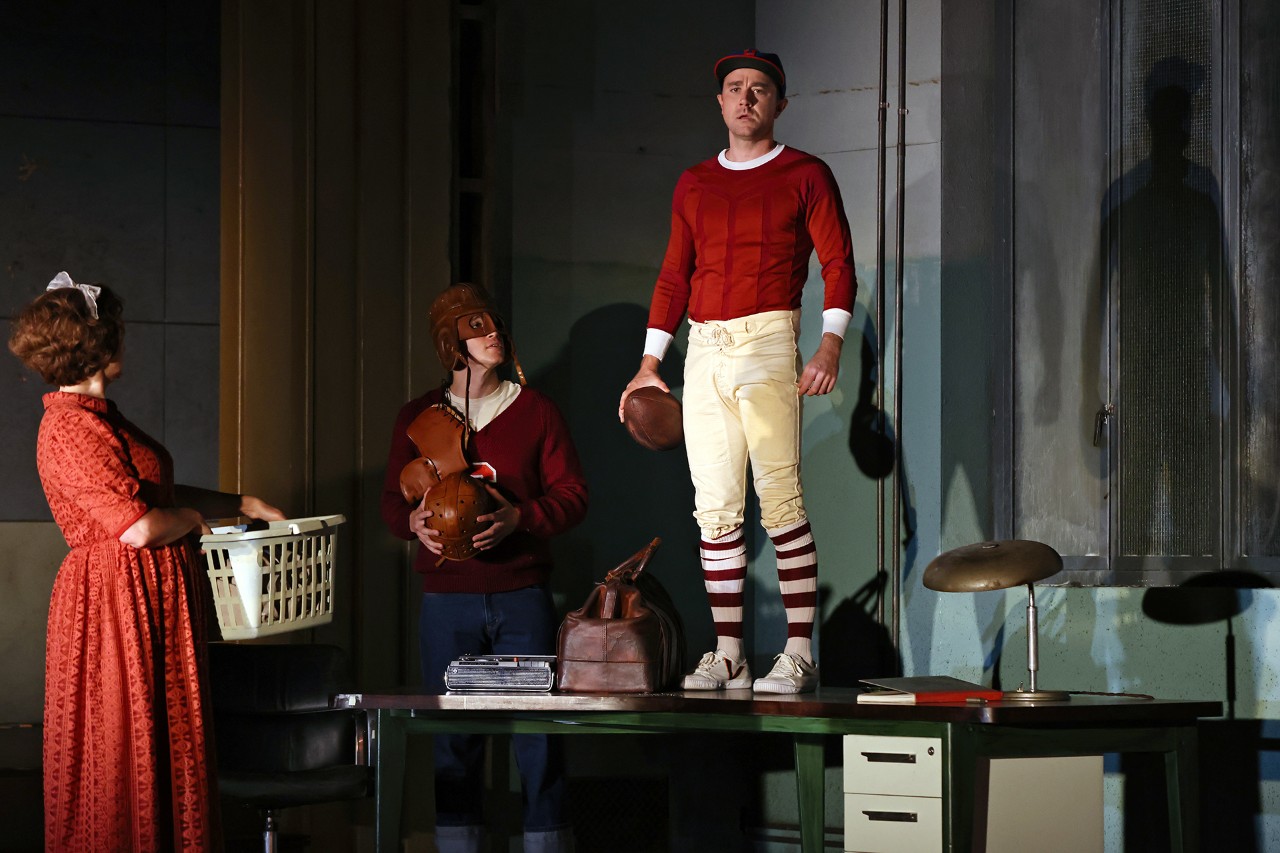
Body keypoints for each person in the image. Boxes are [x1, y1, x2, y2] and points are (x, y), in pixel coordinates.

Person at [7, 272, 285, 852]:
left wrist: (239, 504)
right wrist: (192, 522)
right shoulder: (68, 426)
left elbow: (154, 495)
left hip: (146, 592)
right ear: (98, 345)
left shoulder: (100, 418)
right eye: (118, 332)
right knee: (124, 742)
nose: (125, 340)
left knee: (163, 738)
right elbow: (138, 526)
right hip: (115, 600)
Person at [618, 49, 856, 695]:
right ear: (719, 103)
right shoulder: (694, 181)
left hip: (769, 339)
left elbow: (838, 263)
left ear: (779, 103)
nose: (746, 98)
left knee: (779, 498)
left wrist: (829, 344)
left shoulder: (805, 172)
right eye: (734, 88)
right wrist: (649, 364)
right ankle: (729, 653)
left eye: (759, 89)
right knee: (715, 510)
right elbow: (674, 275)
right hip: (705, 347)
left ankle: (798, 652)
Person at [381, 283, 588, 853]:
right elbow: (390, 507)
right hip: (447, 601)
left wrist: (522, 516)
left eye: (492, 322)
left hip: (522, 593)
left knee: (539, 739)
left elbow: (574, 494)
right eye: (475, 327)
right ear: (453, 343)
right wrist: (415, 524)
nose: (491, 332)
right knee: (454, 742)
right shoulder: (416, 418)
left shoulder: (535, 410)